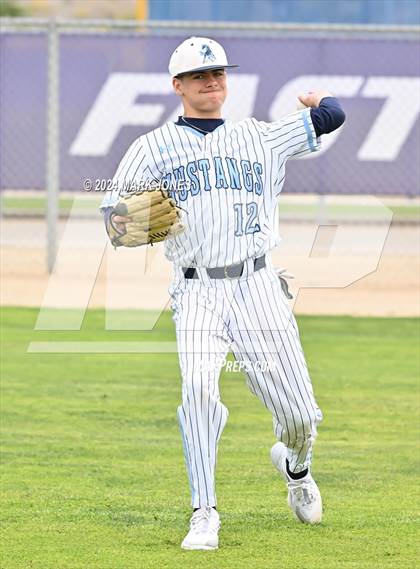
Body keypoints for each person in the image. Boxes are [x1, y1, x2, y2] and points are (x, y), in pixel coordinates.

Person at [101, 36, 345, 551]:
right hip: (195, 291)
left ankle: (297, 469)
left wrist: (318, 102)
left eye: (218, 74)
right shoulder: (152, 148)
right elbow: (114, 217)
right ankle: (204, 514)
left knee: (300, 414)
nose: (212, 81)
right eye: (199, 76)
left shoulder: (260, 136)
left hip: (259, 286)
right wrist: (124, 222)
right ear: (178, 86)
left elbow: (334, 115)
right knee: (198, 396)